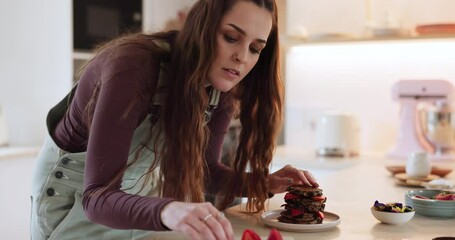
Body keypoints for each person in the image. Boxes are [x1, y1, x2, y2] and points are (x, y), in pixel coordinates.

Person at [30, 0, 319, 239]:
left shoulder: (221, 87)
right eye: (231, 37)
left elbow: (206, 171)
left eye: (255, 48)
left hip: (134, 194)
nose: (242, 57)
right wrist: (169, 210)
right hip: (76, 196)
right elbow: (98, 196)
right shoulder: (133, 67)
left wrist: (264, 182)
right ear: (202, 27)